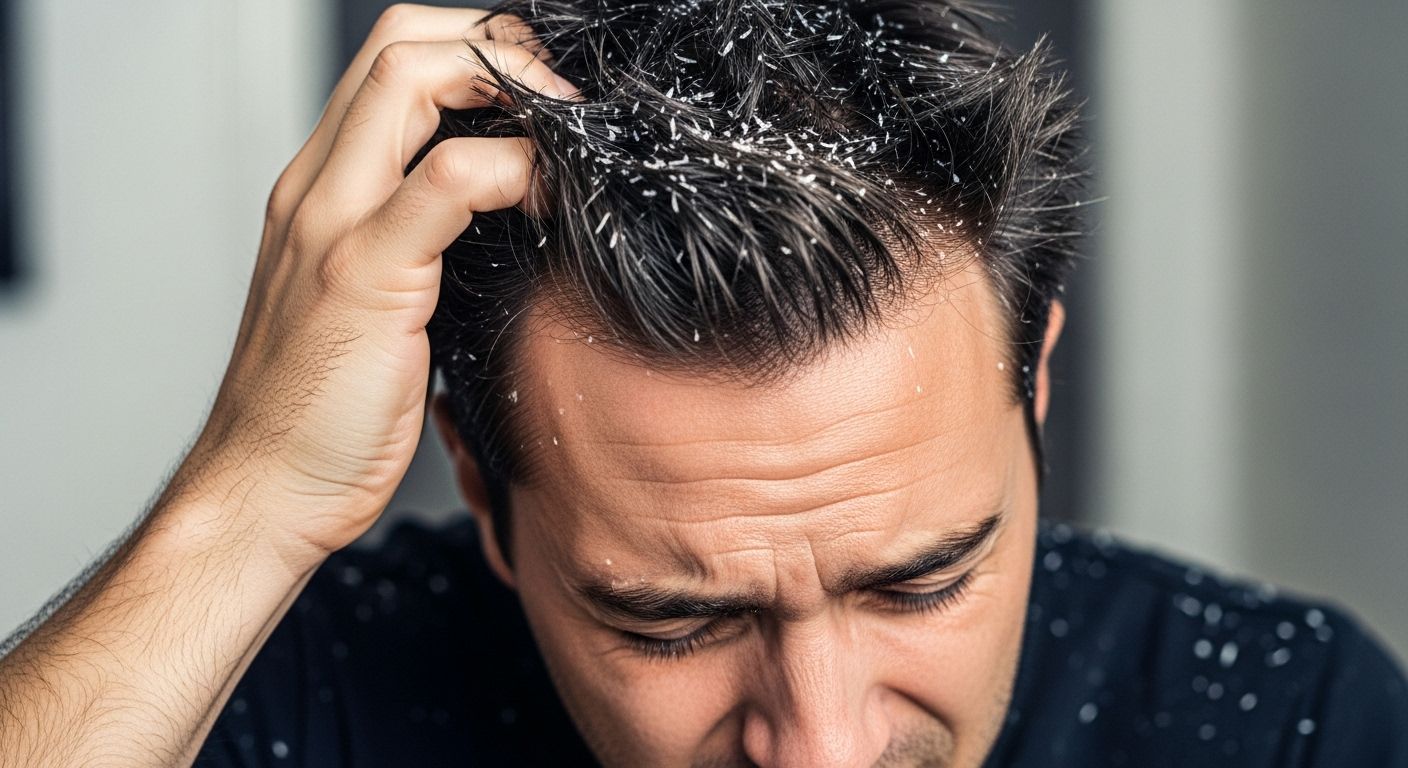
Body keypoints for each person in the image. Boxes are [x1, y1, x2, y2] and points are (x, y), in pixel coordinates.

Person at [1, 0, 1405, 765]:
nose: (820, 747)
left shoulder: (1280, 721)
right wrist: (251, 498)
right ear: (484, 492)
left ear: (1033, 387)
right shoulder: (287, 700)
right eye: (674, 622)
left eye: (920, 583)